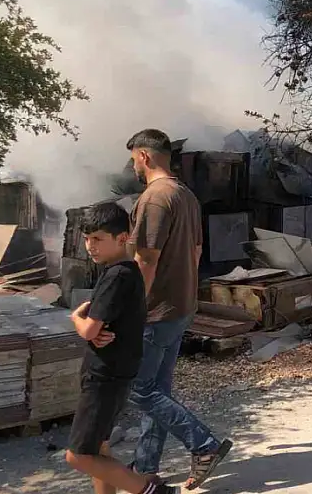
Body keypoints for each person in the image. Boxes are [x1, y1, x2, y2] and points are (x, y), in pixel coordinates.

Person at [126, 129, 233, 489]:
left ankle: (204, 445)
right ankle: (145, 468)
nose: (133, 167)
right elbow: (198, 251)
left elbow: (145, 258)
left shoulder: (155, 198)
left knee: (139, 389)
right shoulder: (186, 196)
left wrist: (130, 307)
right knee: (158, 390)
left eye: (133, 160)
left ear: (144, 157)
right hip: (181, 305)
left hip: (156, 310)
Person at [66, 202, 176, 494]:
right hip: (119, 371)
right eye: (87, 239)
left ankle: (153, 492)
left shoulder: (116, 275)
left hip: (104, 376)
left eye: (99, 239)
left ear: (122, 237)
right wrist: (95, 332)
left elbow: (89, 328)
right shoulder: (128, 272)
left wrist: (77, 319)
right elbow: (104, 327)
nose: (91, 246)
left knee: (78, 455)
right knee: (99, 447)